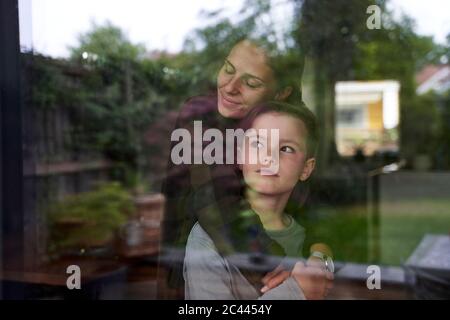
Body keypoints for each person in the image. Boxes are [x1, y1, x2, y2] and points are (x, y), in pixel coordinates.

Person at [158, 37, 316, 298]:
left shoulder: (293, 123)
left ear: (281, 93)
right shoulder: (200, 117)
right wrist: (283, 265)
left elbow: (320, 200)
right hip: (201, 265)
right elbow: (216, 203)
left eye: (251, 83)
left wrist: (320, 251)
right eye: (228, 69)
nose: (230, 87)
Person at [183, 101, 334, 299]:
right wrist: (296, 290)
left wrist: (319, 261)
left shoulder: (310, 231)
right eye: (258, 144)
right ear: (240, 155)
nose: (268, 157)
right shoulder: (208, 237)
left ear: (306, 168)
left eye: (286, 148)